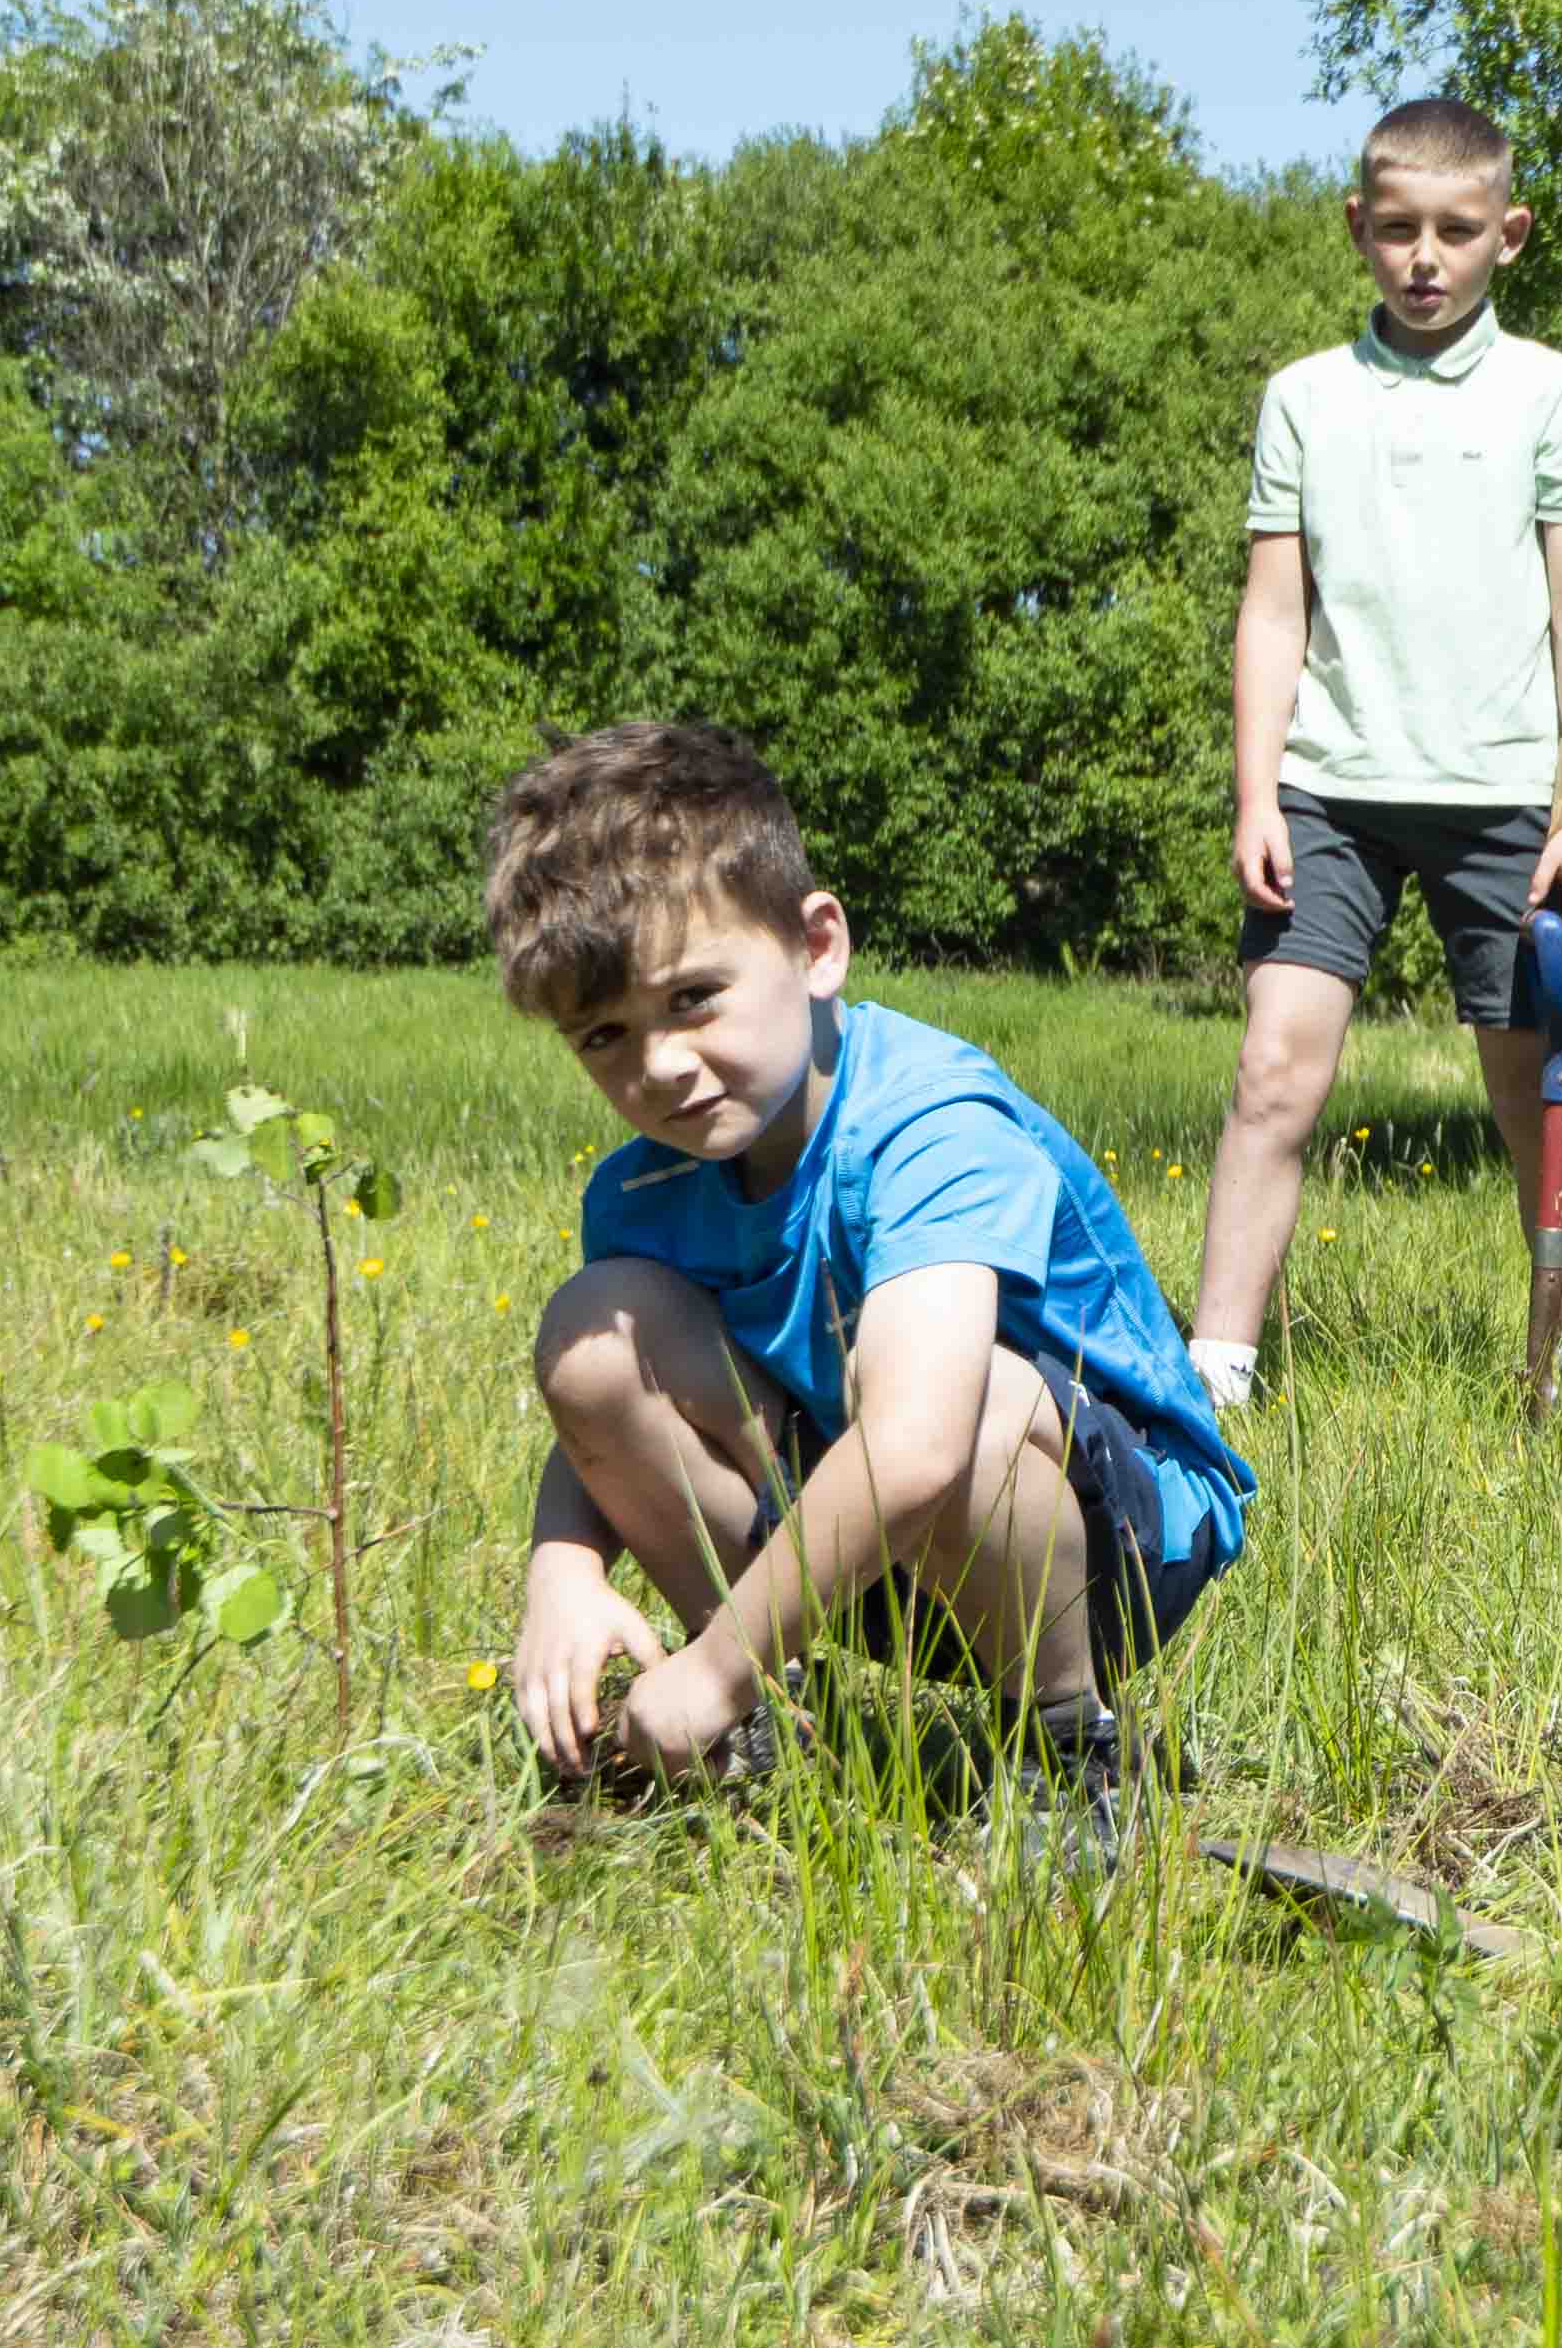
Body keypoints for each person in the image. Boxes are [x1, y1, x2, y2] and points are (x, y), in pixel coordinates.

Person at [492, 719, 1247, 1856]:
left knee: (970, 1403)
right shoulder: (646, 1188)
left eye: (694, 997)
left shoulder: (929, 1122)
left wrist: (705, 1670)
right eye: (604, 1035)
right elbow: (594, 1416)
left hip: (1109, 1547)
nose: (657, 1067)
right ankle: (762, 1724)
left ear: (817, 946)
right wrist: (562, 1567)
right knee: (593, 1337)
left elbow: (922, 1447)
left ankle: (1066, 1748)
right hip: (873, 1540)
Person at [1187, 94, 1562, 1418]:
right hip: (1329, 793)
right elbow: (1275, 610)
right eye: (1396, 232)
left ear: (1510, 233)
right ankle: (1210, 1380)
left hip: (1504, 801)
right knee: (1273, 1067)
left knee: (1532, 1092)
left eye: (1454, 231)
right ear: (1356, 231)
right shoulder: (1304, 400)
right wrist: (1256, 790)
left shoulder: (1555, 396)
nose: (1425, 259)